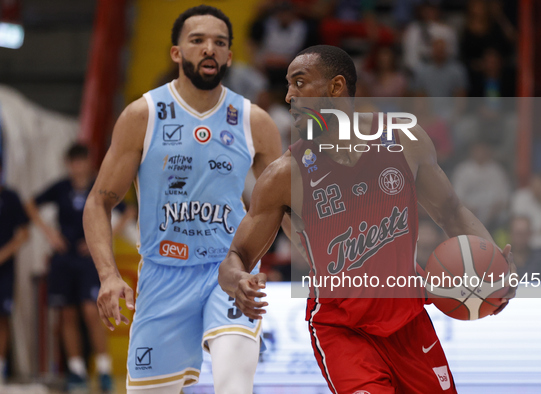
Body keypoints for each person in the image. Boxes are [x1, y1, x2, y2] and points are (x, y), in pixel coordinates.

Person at [219, 45, 515, 393]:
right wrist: (237, 279)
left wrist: (494, 268)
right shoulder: (285, 175)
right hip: (342, 327)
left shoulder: (404, 140)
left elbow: (451, 212)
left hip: (408, 319)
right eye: (288, 85)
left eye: (299, 83)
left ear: (336, 87)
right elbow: (236, 255)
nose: (288, 96)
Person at [82, 6, 281, 394]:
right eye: (198, 40)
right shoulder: (144, 115)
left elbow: (285, 204)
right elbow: (98, 202)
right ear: (177, 53)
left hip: (230, 269)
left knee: (234, 384)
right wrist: (108, 275)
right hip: (162, 275)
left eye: (220, 43)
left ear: (229, 55)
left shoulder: (254, 120)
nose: (209, 48)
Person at [25, 144, 131, 393]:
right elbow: (30, 203)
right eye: (73, 162)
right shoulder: (61, 187)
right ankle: (76, 371)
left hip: (89, 260)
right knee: (67, 314)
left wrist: (102, 238)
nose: (78, 167)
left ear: (89, 162)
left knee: (91, 312)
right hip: (64, 259)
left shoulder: (100, 186)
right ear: (68, 164)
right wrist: (50, 233)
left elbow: (128, 211)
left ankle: (103, 369)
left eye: (81, 161)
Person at [0, 162, 29, 386]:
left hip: (5, 270)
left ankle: (1, 368)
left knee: (2, 318)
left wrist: (4, 253)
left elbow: (24, 233)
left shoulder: (10, 197)